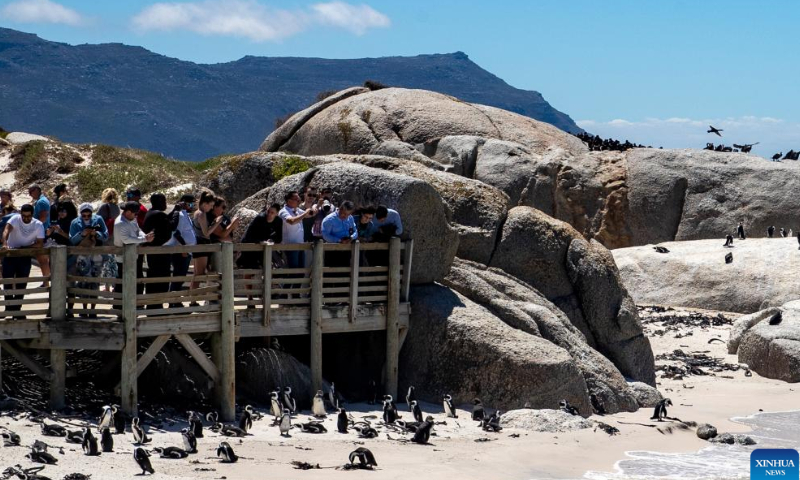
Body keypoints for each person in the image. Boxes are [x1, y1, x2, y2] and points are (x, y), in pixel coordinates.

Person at [2, 205, 44, 317]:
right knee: (8, 282)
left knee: (22, 283)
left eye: (28, 216)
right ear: (21, 214)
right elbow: (6, 230)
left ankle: (17, 309)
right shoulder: (15, 219)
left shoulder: (38, 225)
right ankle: (8, 307)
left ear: (32, 215)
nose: (26, 218)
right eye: (24, 216)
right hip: (11, 253)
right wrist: (5, 243)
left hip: (25, 255)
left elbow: (40, 243)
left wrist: (24, 249)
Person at [69, 203, 110, 318]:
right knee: (82, 282)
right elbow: (72, 240)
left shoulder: (99, 219)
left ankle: (92, 310)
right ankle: (84, 309)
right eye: (84, 215)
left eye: (89, 215)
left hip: (96, 255)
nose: (86, 217)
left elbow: (106, 235)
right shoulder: (74, 222)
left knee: (95, 282)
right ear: (81, 214)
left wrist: (96, 233)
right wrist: (82, 234)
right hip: (82, 256)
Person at [237, 203, 283, 304]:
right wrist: (260, 241)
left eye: (272, 213)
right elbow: (249, 235)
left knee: (268, 269)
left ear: (276, 213)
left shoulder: (278, 221)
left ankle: (266, 295)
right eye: (268, 212)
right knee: (248, 271)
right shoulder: (259, 218)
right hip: (250, 244)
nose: (269, 215)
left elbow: (279, 237)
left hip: (264, 247)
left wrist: (272, 240)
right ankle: (250, 298)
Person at [113, 201, 153, 292]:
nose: (136, 216)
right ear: (128, 212)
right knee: (122, 282)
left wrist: (145, 236)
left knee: (133, 280)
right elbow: (127, 240)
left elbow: (138, 230)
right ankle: (118, 305)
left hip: (133, 256)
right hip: (123, 258)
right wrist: (145, 239)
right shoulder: (120, 223)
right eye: (135, 214)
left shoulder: (132, 218)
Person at [142, 193, 173, 310]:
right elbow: (168, 231)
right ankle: (156, 305)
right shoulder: (159, 215)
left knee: (153, 277)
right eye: (164, 201)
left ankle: (152, 305)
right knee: (161, 279)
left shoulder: (149, 213)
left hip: (152, 254)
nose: (165, 203)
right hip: (160, 253)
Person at [165, 194, 197, 307]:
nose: (192, 206)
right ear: (184, 202)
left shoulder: (186, 215)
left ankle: (175, 300)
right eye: (191, 203)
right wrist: (184, 247)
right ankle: (173, 301)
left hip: (187, 250)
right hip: (181, 251)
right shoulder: (179, 214)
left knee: (181, 276)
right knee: (178, 276)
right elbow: (176, 233)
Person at [190, 190, 224, 295]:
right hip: (202, 244)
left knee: (197, 274)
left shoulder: (197, 212)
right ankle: (192, 300)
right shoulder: (202, 214)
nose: (211, 208)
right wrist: (217, 223)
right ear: (205, 204)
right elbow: (206, 233)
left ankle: (192, 299)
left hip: (198, 243)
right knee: (199, 275)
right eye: (210, 205)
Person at [279, 191, 314, 268]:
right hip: (290, 247)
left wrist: (316, 206)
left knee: (301, 271)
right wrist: (305, 213)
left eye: (299, 199)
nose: (299, 200)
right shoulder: (283, 212)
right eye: (296, 199)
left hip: (300, 246)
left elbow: (310, 215)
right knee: (293, 271)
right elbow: (291, 221)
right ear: (289, 201)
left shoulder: (297, 210)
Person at [321, 200, 358, 268]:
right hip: (332, 251)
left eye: (348, 214)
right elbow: (325, 235)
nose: (345, 216)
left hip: (347, 250)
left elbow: (355, 231)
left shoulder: (350, 218)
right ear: (340, 209)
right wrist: (339, 240)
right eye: (344, 213)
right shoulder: (329, 220)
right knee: (332, 272)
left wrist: (351, 238)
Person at [28, 184, 51, 285]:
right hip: (42, 232)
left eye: (31, 191)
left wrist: (32, 228)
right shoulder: (41, 201)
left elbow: (43, 217)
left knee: (42, 259)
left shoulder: (41, 202)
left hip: (41, 233)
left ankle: (46, 282)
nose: (30, 194)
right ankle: (46, 281)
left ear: (37, 190)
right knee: (42, 259)